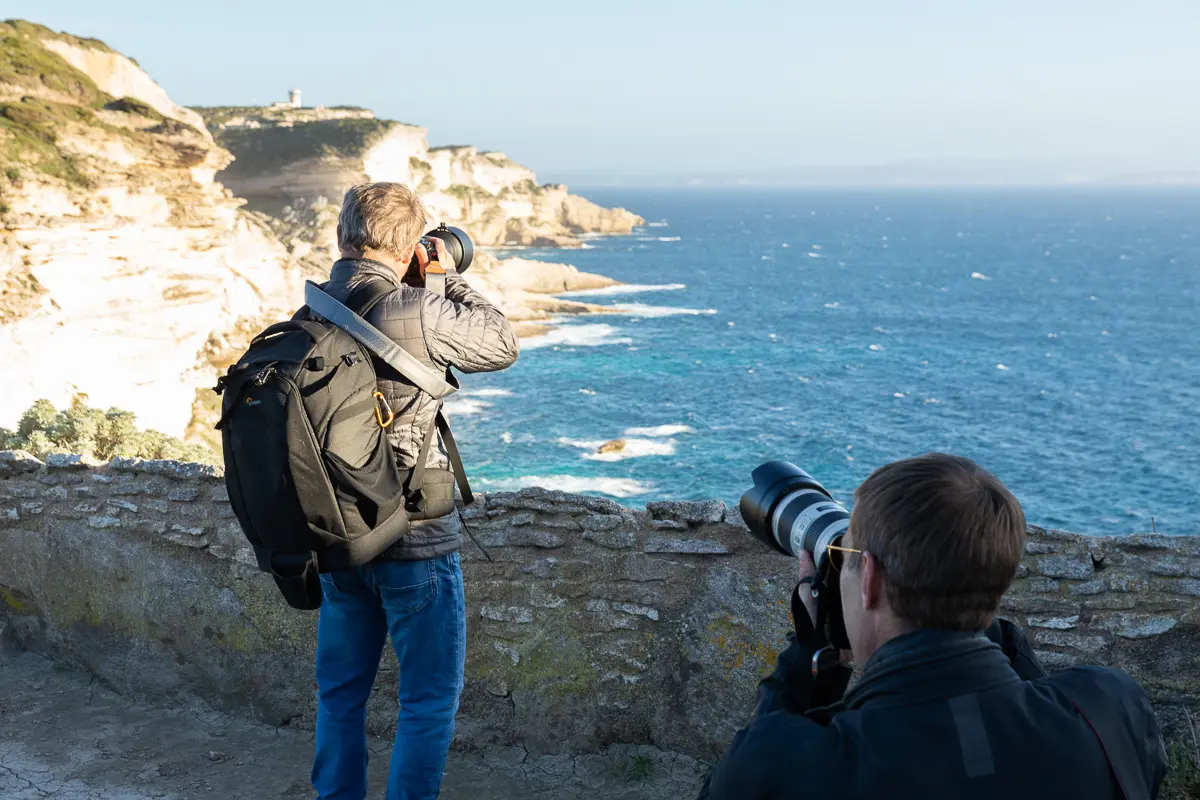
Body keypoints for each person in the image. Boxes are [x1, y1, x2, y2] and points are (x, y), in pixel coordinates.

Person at [699, 453, 1166, 800]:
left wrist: (810, 653)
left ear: (872, 582)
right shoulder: (1110, 709)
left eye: (846, 562)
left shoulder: (787, 763)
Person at [305, 182, 519, 800]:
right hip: (416, 537)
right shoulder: (416, 309)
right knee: (426, 702)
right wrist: (445, 275)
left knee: (340, 696)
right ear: (407, 245)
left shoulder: (313, 306)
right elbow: (501, 342)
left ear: (342, 236)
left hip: (341, 534)